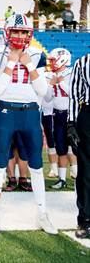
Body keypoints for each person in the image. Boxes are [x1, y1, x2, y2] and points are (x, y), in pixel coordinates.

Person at [0, 14, 57, 235]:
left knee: (36, 165)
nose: (19, 36)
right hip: (6, 111)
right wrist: (13, 61)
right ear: (7, 33)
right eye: (15, 31)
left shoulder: (36, 54)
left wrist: (28, 65)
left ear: (29, 34)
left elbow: (44, 92)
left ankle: (42, 213)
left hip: (30, 114)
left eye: (23, 32)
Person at [45, 48, 76, 189]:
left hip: (71, 115)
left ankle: (78, 176)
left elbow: (72, 93)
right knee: (60, 148)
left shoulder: (72, 73)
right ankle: (62, 179)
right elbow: (47, 97)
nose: (51, 63)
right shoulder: (52, 75)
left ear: (61, 59)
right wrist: (51, 84)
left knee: (75, 148)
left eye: (52, 60)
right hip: (57, 114)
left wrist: (60, 82)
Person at [68, 52, 90, 239]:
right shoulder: (83, 62)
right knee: (86, 171)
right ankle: (85, 219)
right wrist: (71, 124)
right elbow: (75, 95)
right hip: (88, 115)